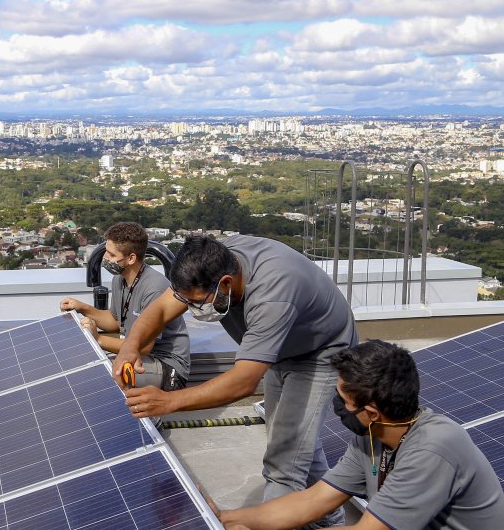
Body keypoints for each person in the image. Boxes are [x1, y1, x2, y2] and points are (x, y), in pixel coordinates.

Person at [113, 234, 357, 527]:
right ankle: (329, 519)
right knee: (296, 438)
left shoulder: (272, 294)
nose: (190, 309)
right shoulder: (211, 259)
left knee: (283, 464)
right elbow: (163, 308)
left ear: (226, 283)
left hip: (319, 351)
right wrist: (130, 346)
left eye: (195, 302)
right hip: (281, 348)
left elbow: (244, 382)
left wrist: (169, 401)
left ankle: (299, 519)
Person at [217, 339, 504, 530]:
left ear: (371, 413)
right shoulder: (372, 437)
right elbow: (314, 500)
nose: (337, 404)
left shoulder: (432, 449)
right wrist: (226, 517)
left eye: (342, 398)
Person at [60, 222, 190, 391]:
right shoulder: (120, 278)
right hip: (138, 355)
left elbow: (143, 348)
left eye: (112, 255)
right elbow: (115, 321)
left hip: (166, 367)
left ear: (131, 258)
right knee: (79, 361)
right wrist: (81, 308)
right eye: (106, 251)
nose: (105, 257)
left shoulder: (153, 288)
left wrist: (98, 339)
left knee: (97, 375)